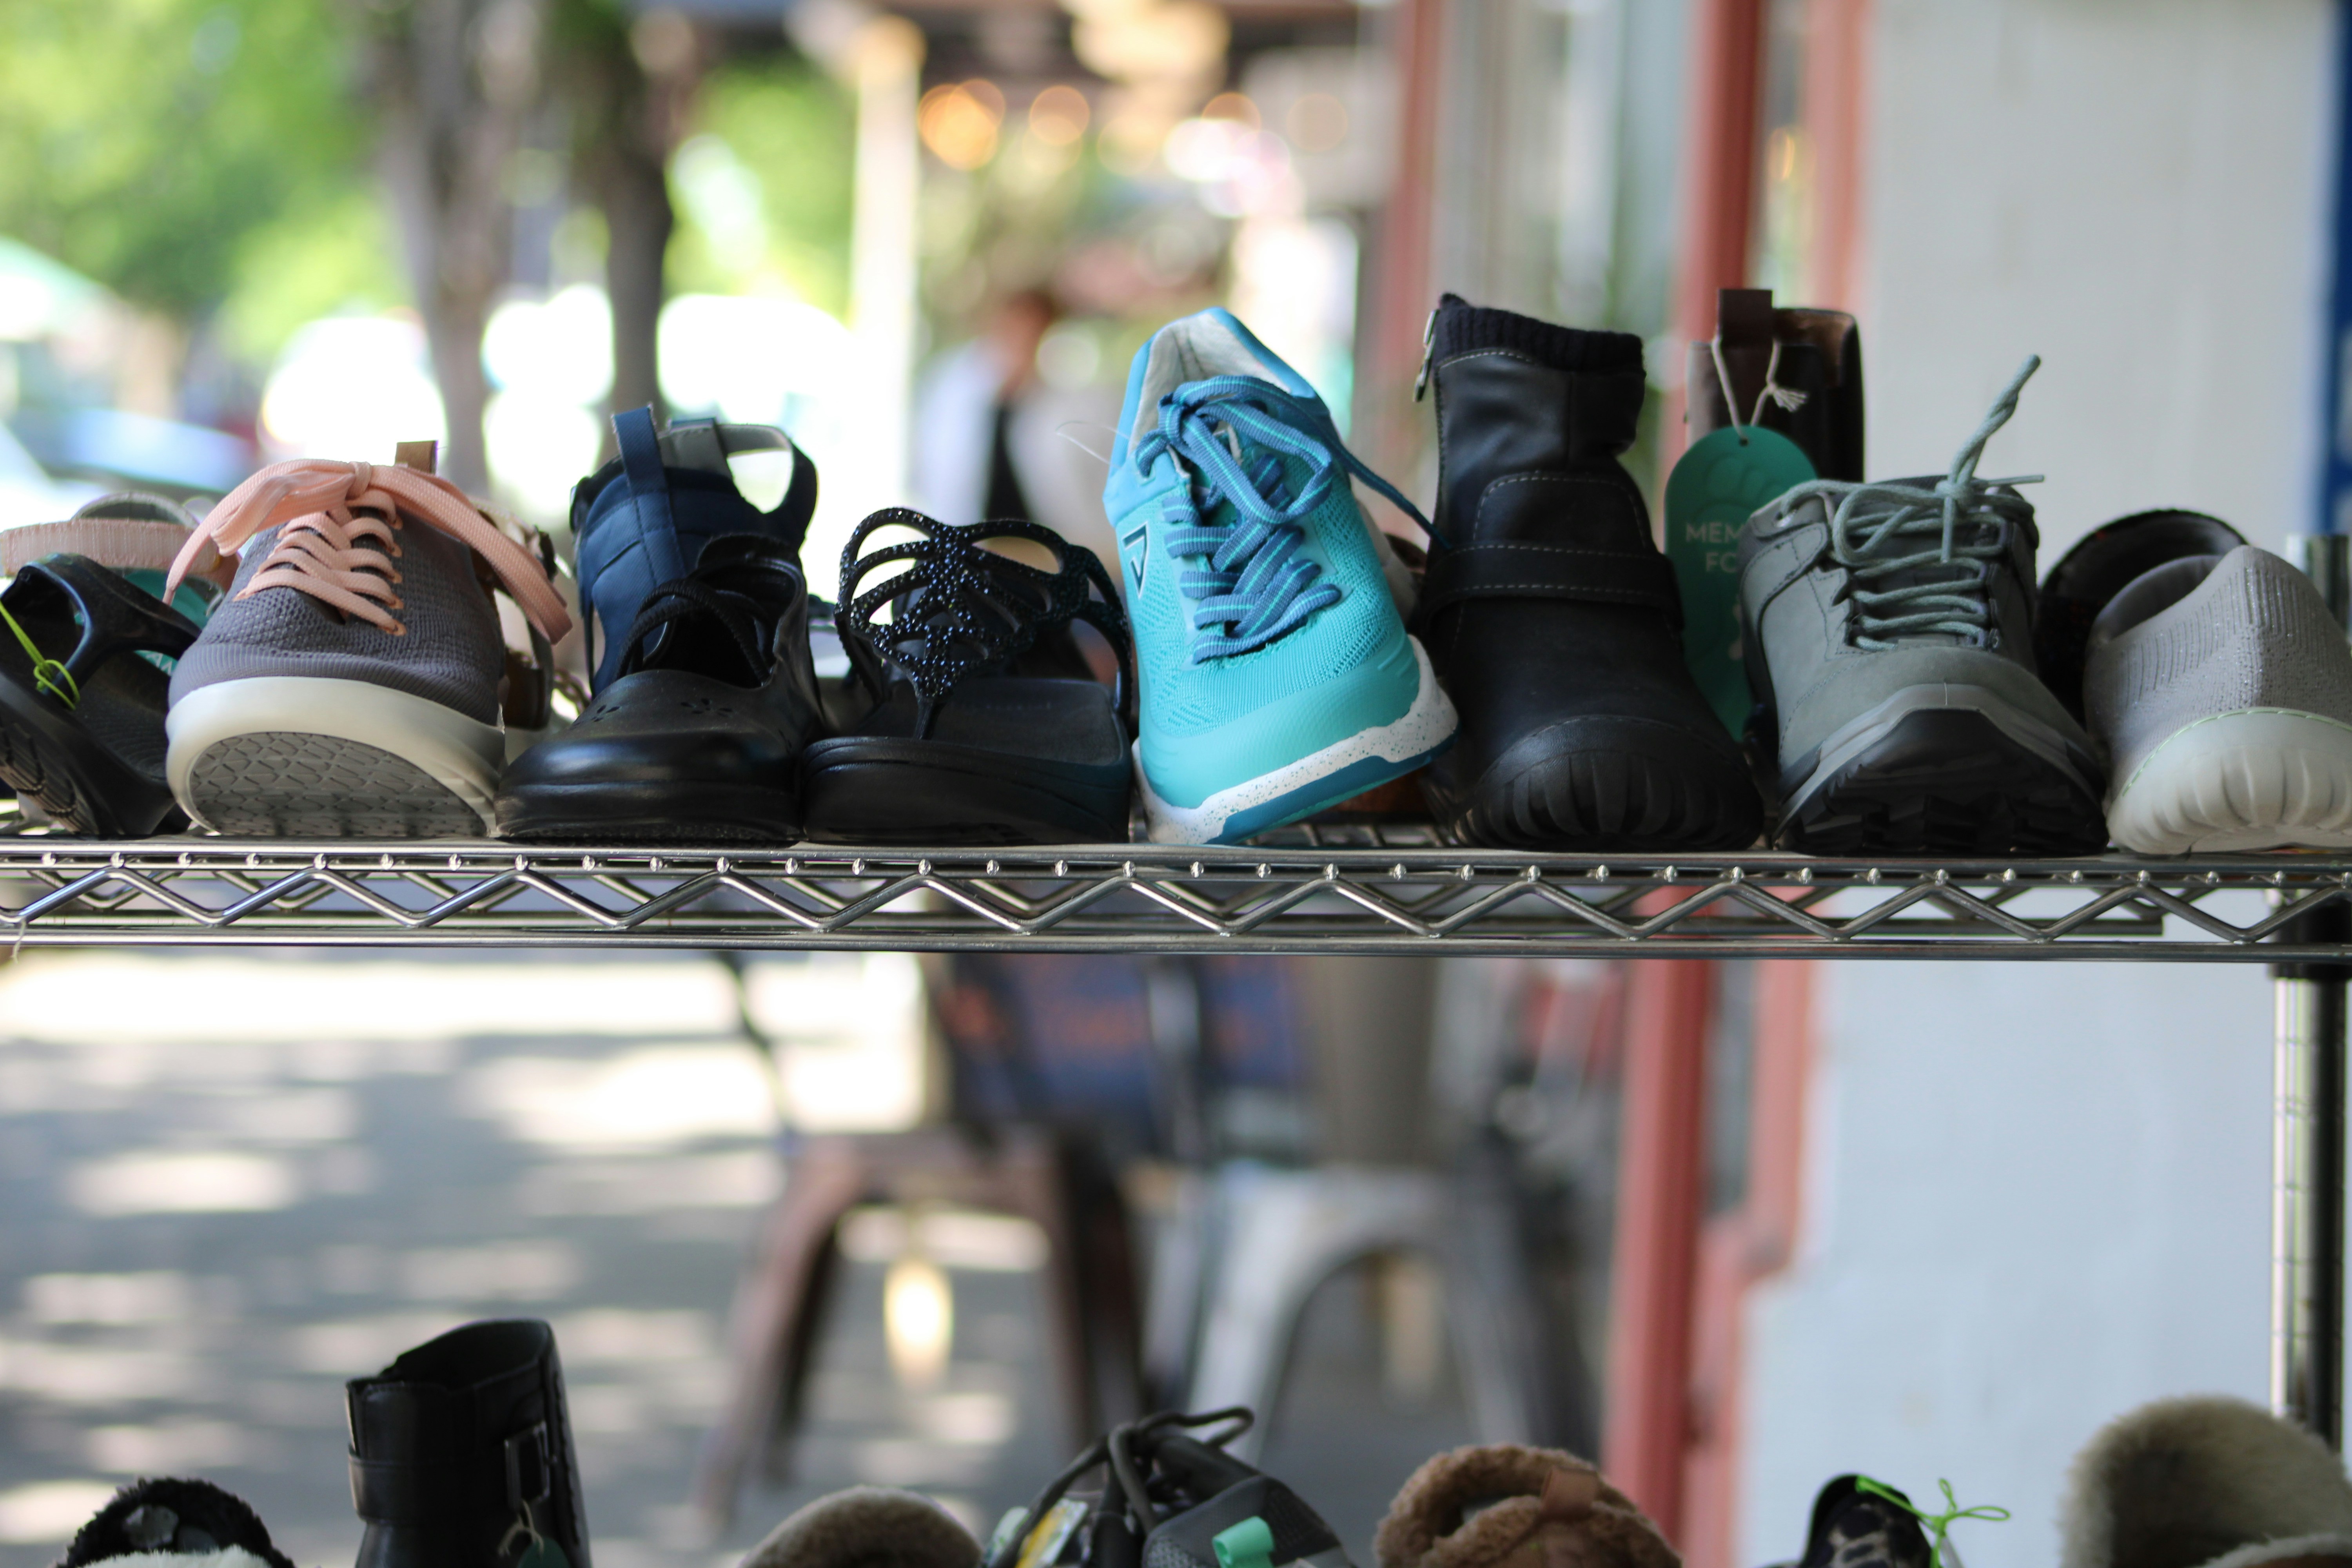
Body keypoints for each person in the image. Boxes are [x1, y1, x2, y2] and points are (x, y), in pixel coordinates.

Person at [911, 287, 1120, 573]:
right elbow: (936, 478)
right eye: (1014, 331)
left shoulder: (1068, 403)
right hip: (974, 558)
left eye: (1032, 333)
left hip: (1049, 560)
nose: (1020, 342)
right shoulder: (955, 395)